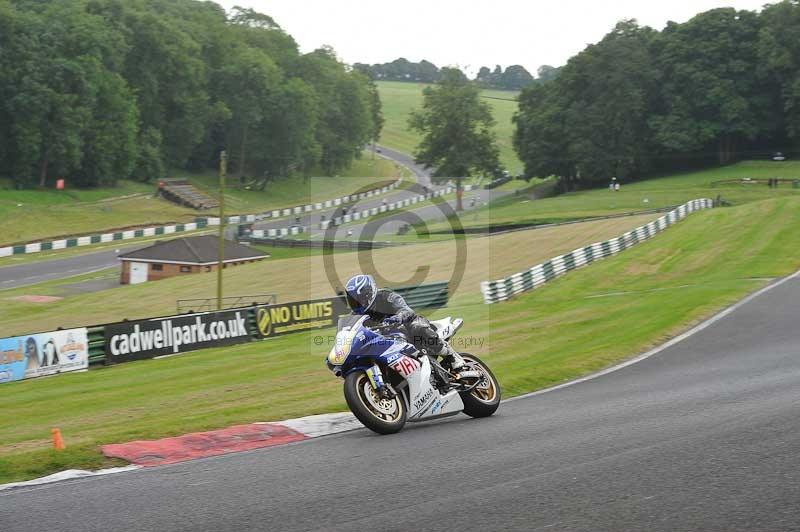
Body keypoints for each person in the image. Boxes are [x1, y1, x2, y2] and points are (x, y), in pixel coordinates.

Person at [343, 274, 464, 371]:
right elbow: (351, 331)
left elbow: (406, 309)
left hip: (406, 326)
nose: (356, 304)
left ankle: (452, 356)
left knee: (417, 328)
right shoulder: (356, 315)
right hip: (385, 340)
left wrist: (398, 317)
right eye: (353, 301)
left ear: (368, 294)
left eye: (358, 300)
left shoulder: (386, 296)